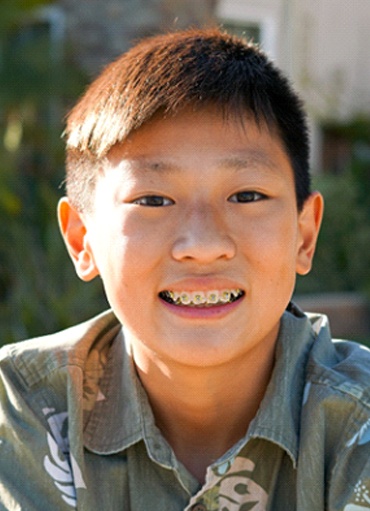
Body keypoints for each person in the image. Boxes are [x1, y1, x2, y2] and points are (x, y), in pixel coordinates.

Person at [0, 27, 369, 511]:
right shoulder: (20, 410)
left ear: (304, 234)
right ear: (80, 239)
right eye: (153, 200)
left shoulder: (356, 420)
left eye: (247, 196)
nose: (203, 245)